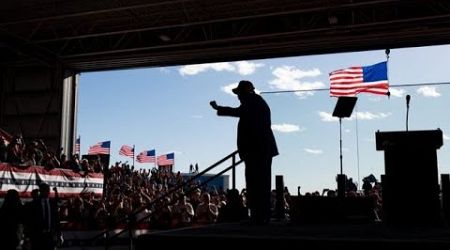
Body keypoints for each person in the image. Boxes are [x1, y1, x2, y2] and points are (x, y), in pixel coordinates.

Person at [210, 80, 278, 225]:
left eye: (239, 94)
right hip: (257, 151)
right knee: (258, 184)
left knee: (257, 184)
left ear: (246, 92)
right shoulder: (255, 102)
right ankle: (259, 215)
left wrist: (218, 108)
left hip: (258, 151)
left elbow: (237, 112)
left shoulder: (254, 102)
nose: (238, 97)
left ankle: (259, 216)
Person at [26, 183, 62, 250]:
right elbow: (29, 222)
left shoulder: (53, 203)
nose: (48, 192)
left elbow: (56, 219)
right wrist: (28, 237)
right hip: (37, 237)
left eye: (48, 190)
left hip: (50, 236)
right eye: (45, 190)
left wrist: (59, 234)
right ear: (41, 191)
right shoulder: (32, 205)